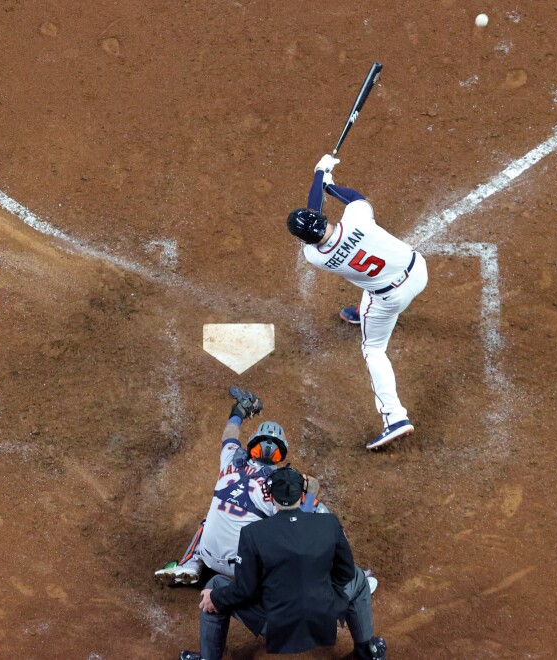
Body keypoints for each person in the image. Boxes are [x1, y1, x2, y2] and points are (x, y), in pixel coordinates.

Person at [287, 154, 428, 450]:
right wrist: (325, 181)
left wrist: (318, 178)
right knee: (372, 291)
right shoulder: (356, 218)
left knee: (373, 350)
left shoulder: (315, 257)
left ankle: (395, 417)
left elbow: (314, 216)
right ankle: (364, 314)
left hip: (389, 300)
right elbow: (353, 198)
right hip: (418, 271)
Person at [179, 466, 387, 660]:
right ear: (301, 495)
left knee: (215, 587)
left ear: (270, 497)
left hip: (274, 625)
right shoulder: (329, 523)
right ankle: (367, 652)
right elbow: (345, 573)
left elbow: (245, 590)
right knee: (359, 578)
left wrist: (216, 598)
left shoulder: (253, 533)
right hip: (324, 615)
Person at [154, 386, 293, 586]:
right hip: (243, 568)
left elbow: (229, 433)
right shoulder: (279, 486)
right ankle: (272, 584)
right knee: (276, 529)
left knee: (207, 520)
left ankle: (191, 563)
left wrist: (239, 412)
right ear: (281, 454)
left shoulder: (230, 459)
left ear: (252, 445)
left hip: (209, 554)